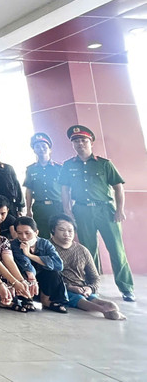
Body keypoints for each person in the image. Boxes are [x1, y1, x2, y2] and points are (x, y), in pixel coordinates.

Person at [59, 124, 135, 302]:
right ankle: (92, 287)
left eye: (83, 140)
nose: (80, 143)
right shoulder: (68, 165)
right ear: (73, 144)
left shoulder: (104, 164)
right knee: (88, 250)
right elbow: (65, 190)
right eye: (76, 141)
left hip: (105, 210)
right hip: (82, 210)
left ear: (91, 142)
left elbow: (118, 187)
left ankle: (126, 288)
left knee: (116, 250)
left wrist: (120, 210)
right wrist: (67, 210)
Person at [49, 214, 126, 320]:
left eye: (70, 231)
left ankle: (108, 308)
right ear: (53, 230)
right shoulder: (47, 248)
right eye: (62, 230)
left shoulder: (82, 250)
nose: (67, 234)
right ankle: (103, 311)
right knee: (79, 299)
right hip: (61, 289)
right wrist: (70, 287)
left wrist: (89, 288)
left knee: (109, 304)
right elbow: (45, 277)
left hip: (82, 288)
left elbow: (95, 277)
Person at [11, 216, 69, 313]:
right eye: (19, 233)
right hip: (26, 280)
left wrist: (29, 254)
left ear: (36, 232)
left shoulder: (45, 243)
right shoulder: (14, 244)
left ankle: (46, 300)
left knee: (54, 272)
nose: (23, 237)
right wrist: (31, 277)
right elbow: (23, 262)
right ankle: (27, 299)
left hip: (43, 281)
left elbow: (58, 265)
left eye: (27, 233)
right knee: (21, 271)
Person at [24, 132, 62, 235]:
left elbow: (66, 189)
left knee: (59, 235)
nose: (41, 149)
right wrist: (28, 210)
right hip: (40, 208)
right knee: (42, 236)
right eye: (37, 147)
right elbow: (29, 190)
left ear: (50, 149)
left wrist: (68, 208)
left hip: (57, 207)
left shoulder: (59, 168)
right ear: (34, 150)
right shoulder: (31, 169)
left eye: (44, 146)